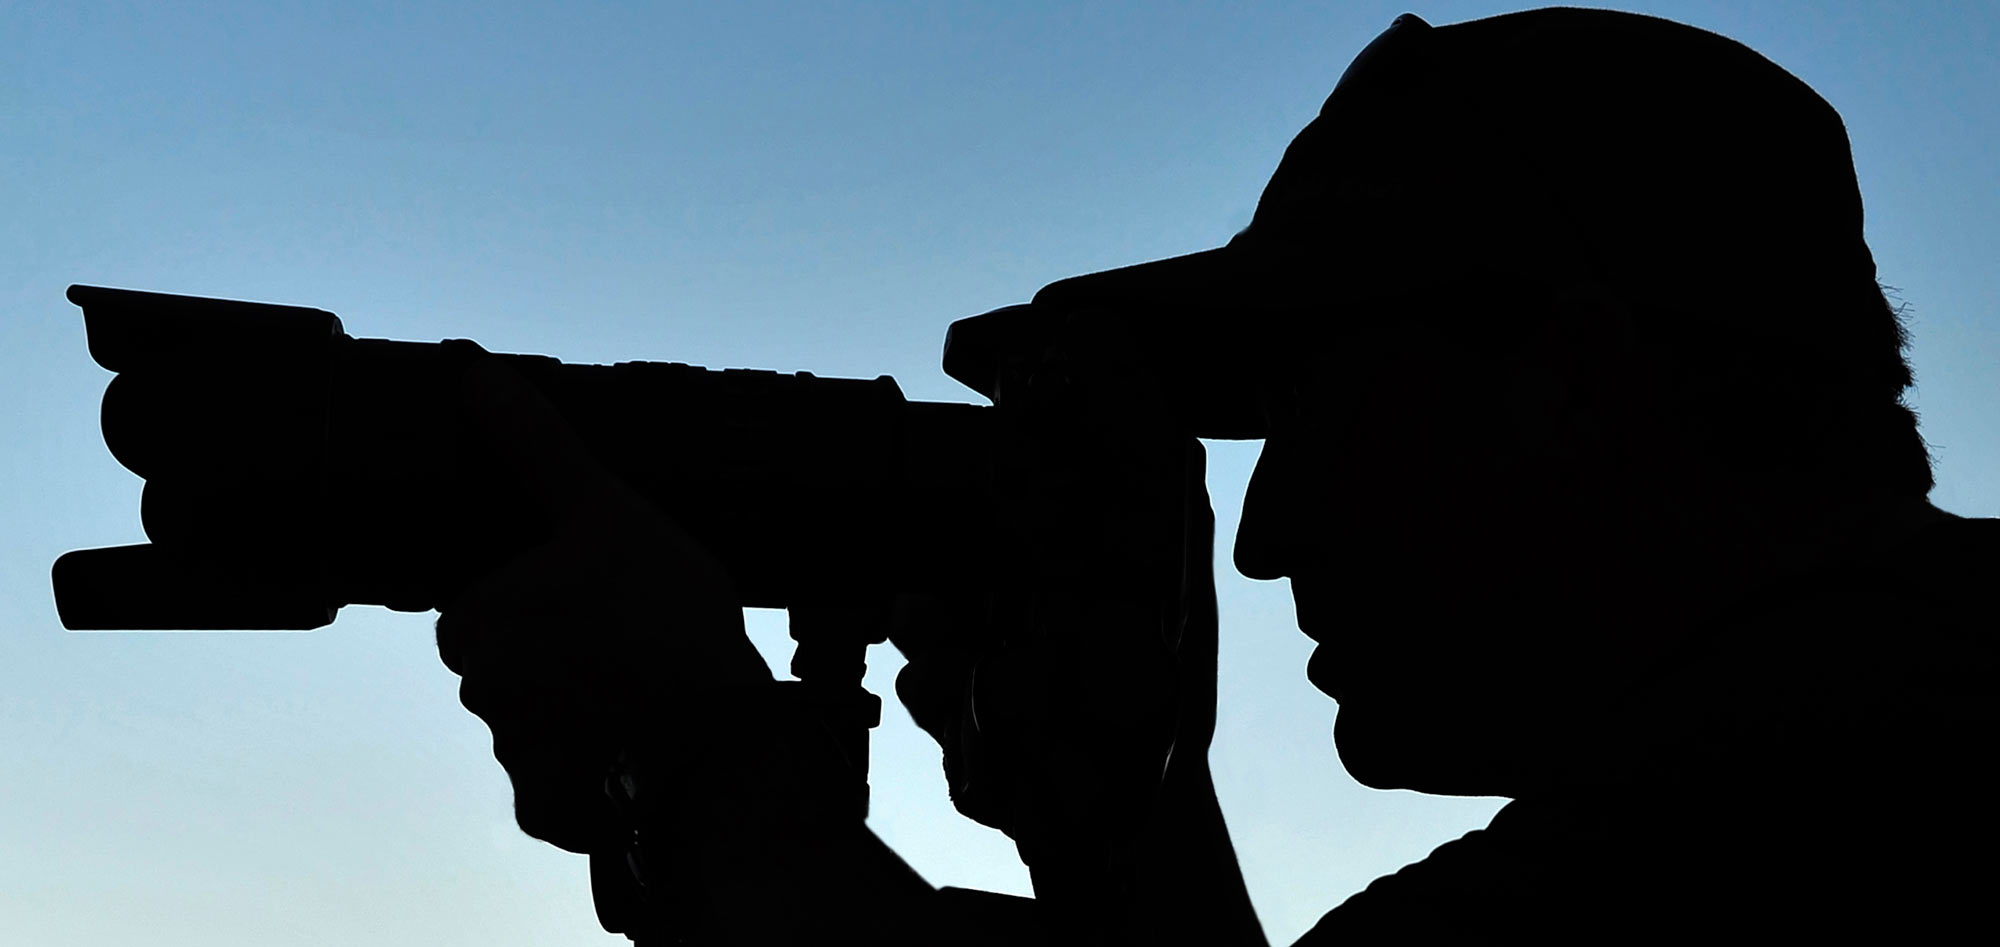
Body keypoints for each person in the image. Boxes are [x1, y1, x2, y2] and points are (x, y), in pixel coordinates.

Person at [436, 8, 1995, 944]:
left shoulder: (1833, 787)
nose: (1258, 540)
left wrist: (706, 785)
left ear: (1569, 384)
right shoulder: (1857, 719)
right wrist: (1115, 820)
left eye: (1308, 419)